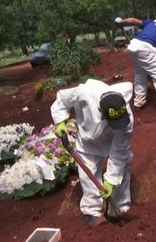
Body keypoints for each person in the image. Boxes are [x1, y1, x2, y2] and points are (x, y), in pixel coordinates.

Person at [51, 79, 134, 227]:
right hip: (88, 139)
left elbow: (119, 153)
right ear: (101, 110)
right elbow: (63, 99)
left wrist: (110, 181)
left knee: (123, 165)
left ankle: (119, 208)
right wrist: (61, 122)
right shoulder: (85, 93)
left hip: (112, 139)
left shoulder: (126, 119)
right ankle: (93, 211)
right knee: (88, 173)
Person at [114, 16, 156, 113]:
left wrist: (121, 22)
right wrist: (152, 74)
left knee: (140, 75)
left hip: (133, 47)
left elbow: (134, 21)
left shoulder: (151, 23)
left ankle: (138, 103)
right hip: (146, 49)